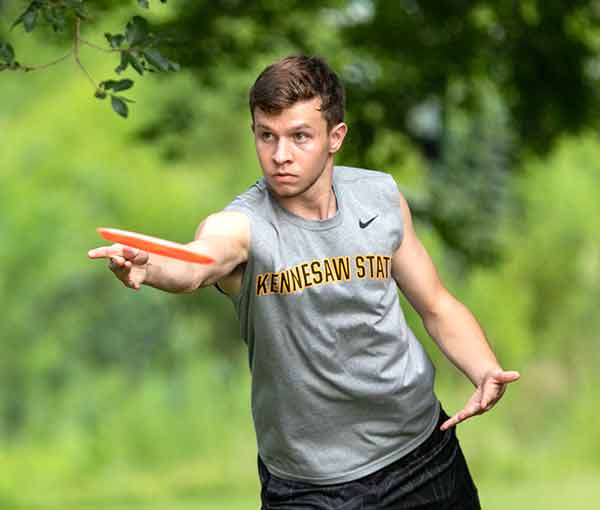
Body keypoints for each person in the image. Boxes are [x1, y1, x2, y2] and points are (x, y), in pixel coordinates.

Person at [88, 55, 520, 509]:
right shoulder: (245, 225)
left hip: (420, 454)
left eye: (299, 137)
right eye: (266, 135)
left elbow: (435, 304)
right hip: (309, 487)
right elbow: (197, 263)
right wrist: (150, 267)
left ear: (335, 137)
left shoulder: (379, 197)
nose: (280, 156)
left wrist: (484, 368)